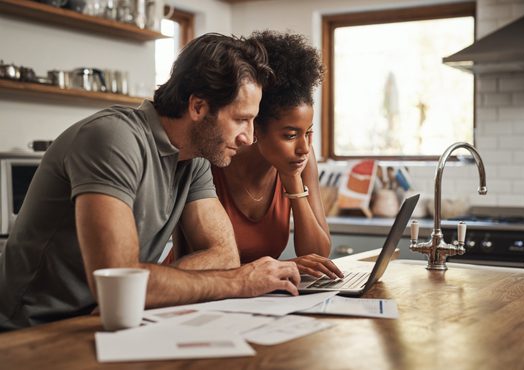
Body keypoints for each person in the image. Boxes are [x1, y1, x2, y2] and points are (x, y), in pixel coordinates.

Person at [0, 33, 300, 331]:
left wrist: (147, 286)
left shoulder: (194, 159)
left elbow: (224, 255)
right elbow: (118, 279)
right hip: (31, 331)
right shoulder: (113, 139)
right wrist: (238, 282)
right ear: (198, 107)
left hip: (111, 321)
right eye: (240, 119)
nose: (248, 137)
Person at [172, 31, 343, 280]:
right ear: (255, 126)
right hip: (195, 293)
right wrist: (281, 267)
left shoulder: (300, 160)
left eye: (308, 133)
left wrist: (292, 180)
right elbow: (194, 260)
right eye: (290, 135)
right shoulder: (212, 158)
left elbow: (318, 255)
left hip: (257, 297)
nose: (304, 148)